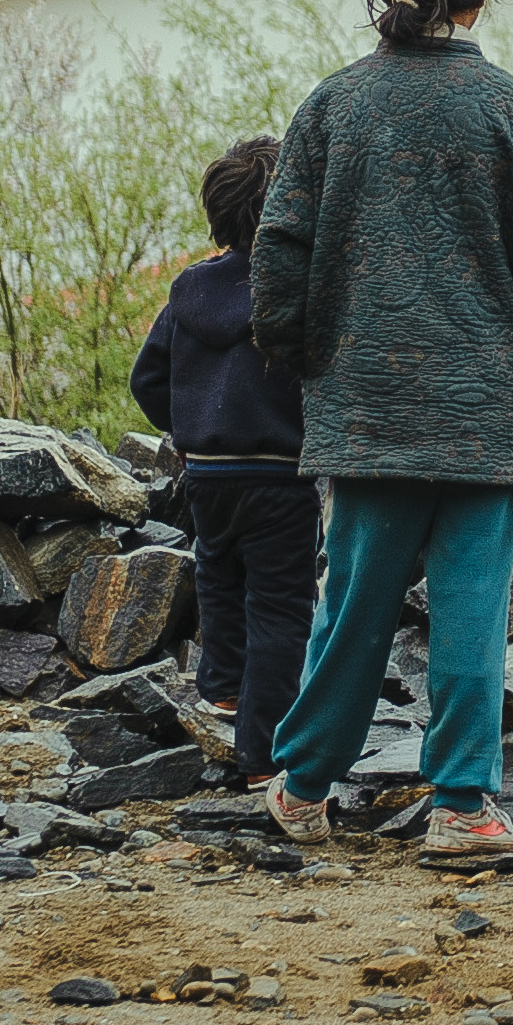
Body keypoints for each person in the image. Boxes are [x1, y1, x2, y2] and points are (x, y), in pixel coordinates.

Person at [249, 0, 513, 866]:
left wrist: (306, 359)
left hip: (367, 407)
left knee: (353, 607)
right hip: (491, 412)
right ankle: (460, 806)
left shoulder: (333, 105)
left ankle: (302, 786)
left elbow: (279, 253)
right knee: (471, 612)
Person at [129, 134, 318, 780]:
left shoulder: (189, 290)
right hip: (280, 474)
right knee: (282, 605)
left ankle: (222, 684)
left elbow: (146, 380)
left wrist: (189, 426)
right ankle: (263, 753)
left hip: (207, 471)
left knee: (218, 570)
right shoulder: (292, 290)